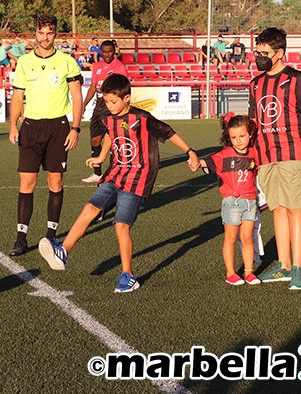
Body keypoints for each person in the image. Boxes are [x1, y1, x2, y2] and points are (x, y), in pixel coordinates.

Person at [40, 73, 200, 293]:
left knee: (121, 226)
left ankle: (128, 275)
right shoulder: (107, 115)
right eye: (106, 101)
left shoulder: (142, 118)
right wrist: (101, 157)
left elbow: (169, 132)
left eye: (113, 102)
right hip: (114, 174)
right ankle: (64, 251)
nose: (109, 105)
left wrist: (190, 152)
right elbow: (109, 135)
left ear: (127, 98)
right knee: (90, 208)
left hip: (137, 179)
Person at [248, 27, 301, 290]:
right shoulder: (255, 84)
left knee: (295, 208)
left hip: (293, 154)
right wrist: (254, 157)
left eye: (264, 53)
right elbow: (256, 122)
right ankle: (284, 265)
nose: (259, 57)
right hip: (267, 158)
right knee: (278, 209)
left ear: (279, 53)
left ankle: (299, 267)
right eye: (257, 52)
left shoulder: (296, 79)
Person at [7, 14, 83, 257]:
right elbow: (18, 96)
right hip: (29, 128)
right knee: (26, 183)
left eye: (49, 33)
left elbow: (77, 97)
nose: (45, 37)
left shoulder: (67, 61)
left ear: (55, 34)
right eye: (41, 33)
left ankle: (51, 236)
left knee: (55, 182)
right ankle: (21, 238)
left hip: (58, 128)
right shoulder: (24, 62)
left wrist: (75, 127)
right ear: (35, 34)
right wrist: (13, 126)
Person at [199, 113, 261, 286]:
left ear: (250, 135)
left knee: (248, 237)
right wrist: (197, 162)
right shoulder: (225, 154)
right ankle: (231, 273)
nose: (238, 140)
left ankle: (249, 272)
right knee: (231, 238)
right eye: (234, 137)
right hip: (231, 202)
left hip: (250, 201)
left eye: (242, 136)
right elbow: (209, 162)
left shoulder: (254, 152)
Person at [81, 40, 129, 183]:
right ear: (100, 52)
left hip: (113, 105)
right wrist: (84, 104)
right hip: (99, 105)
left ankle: (113, 173)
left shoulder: (120, 67)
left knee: (112, 140)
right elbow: (93, 87)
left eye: (110, 51)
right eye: (104, 51)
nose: (107, 54)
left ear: (114, 52)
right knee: (95, 140)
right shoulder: (97, 66)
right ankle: (97, 174)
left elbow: (125, 89)